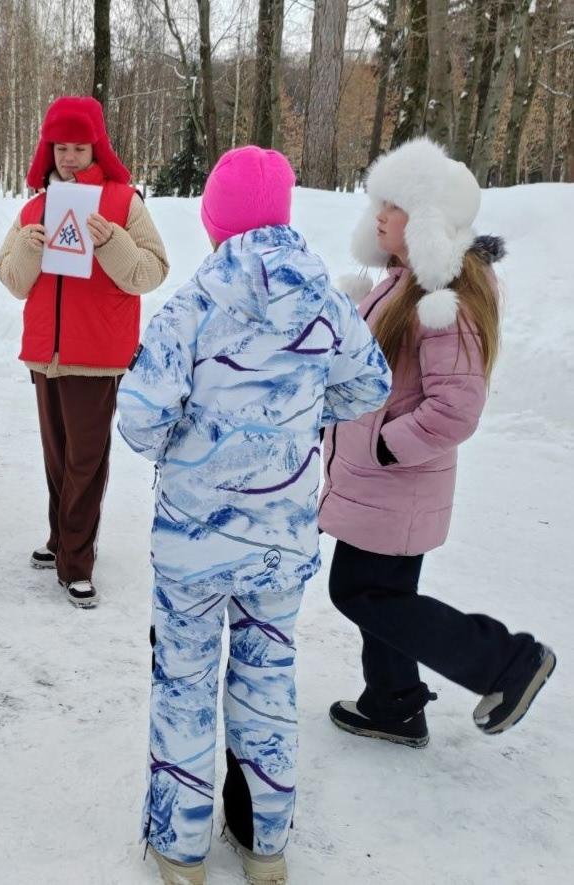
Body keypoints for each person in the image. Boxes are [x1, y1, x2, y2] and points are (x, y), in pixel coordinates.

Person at [118, 147, 392, 885]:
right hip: (278, 540)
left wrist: (195, 449)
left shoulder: (191, 305)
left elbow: (139, 417)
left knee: (183, 680)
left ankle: (179, 848)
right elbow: (369, 384)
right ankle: (264, 841)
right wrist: (295, 428)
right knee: (267, 679)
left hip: (191, 545)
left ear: (214, 221)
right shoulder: (326, 303)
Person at [321, 137, 556, 748]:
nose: (380, 215)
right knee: (385, 595)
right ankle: (393, 703)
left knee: (358, 591)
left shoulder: (441, 304)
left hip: (393, 482)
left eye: (395, 206)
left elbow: (457, 407)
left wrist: (383, 448)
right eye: (381, 202)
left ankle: (504, 661)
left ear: (425, 223)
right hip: (383, 486)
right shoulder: (400, 284)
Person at [0, 95, 169, 607]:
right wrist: (27, 244)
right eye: (60, 147)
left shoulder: (123, 202)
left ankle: (76, 561)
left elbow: (151, 271)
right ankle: (62, 539)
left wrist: (112, 240)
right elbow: (12, 281)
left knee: (86, 461)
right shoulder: (31, 208)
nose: (68, 157)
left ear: (96, 147)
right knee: (58, 457)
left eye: (79, 147)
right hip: (45, 356)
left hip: (96, 357)